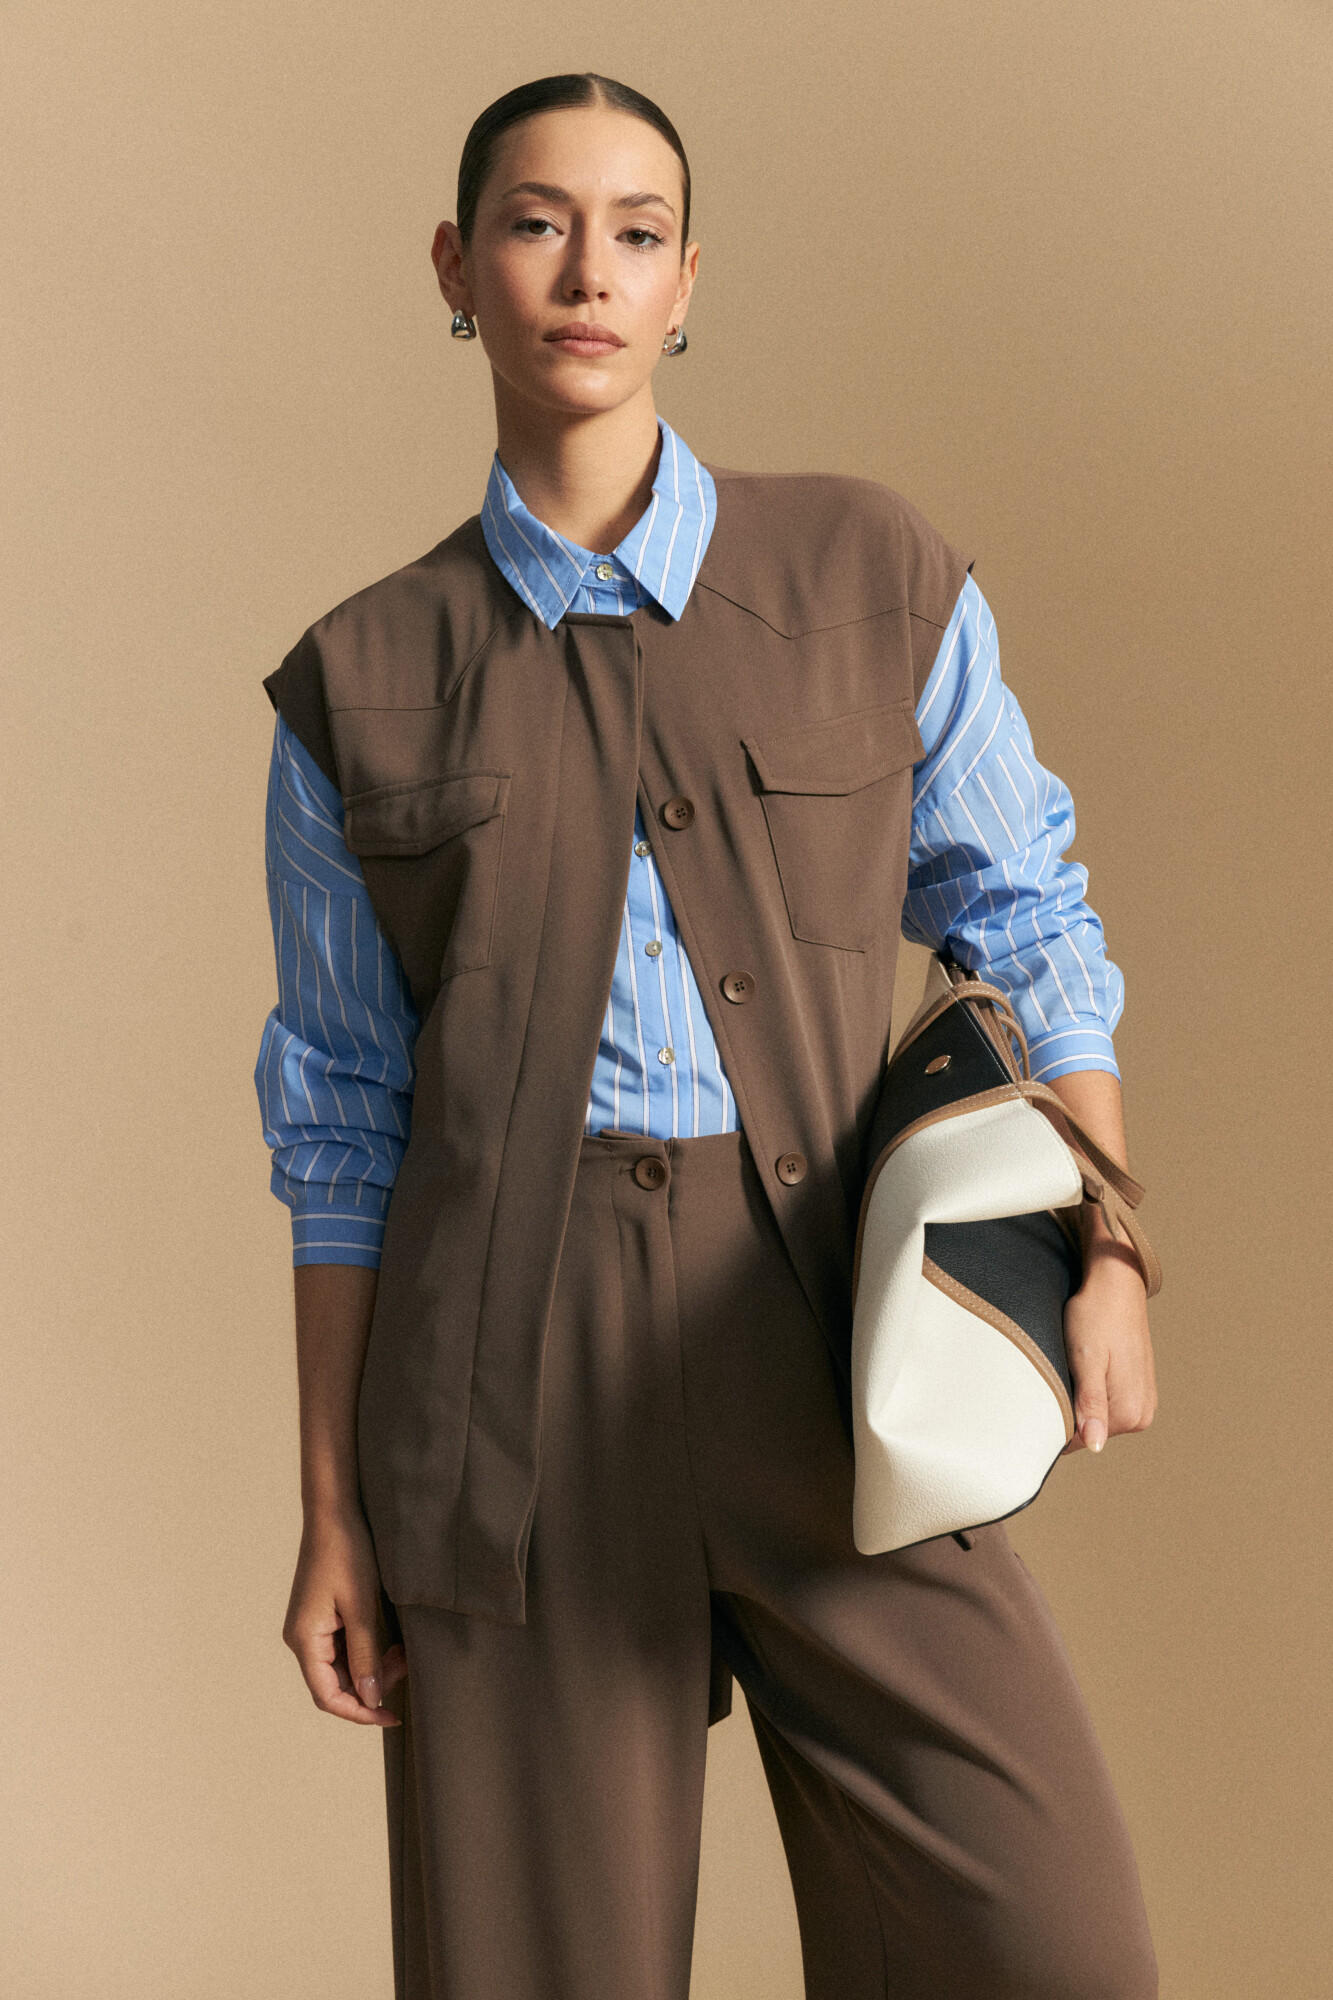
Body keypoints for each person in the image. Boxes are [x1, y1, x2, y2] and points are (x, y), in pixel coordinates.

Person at [254, 71, 1160, 2000]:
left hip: (830, 1330)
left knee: (1051, 1945)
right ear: (458, 268)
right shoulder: (361, 680)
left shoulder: (872, 577)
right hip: (505, 1399)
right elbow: (341, 1128)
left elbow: (1026, 920)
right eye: (537, 224)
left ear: (686, 282)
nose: (589, 271)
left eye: (638, 231)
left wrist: (1110, 1245)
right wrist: (333, 1513)